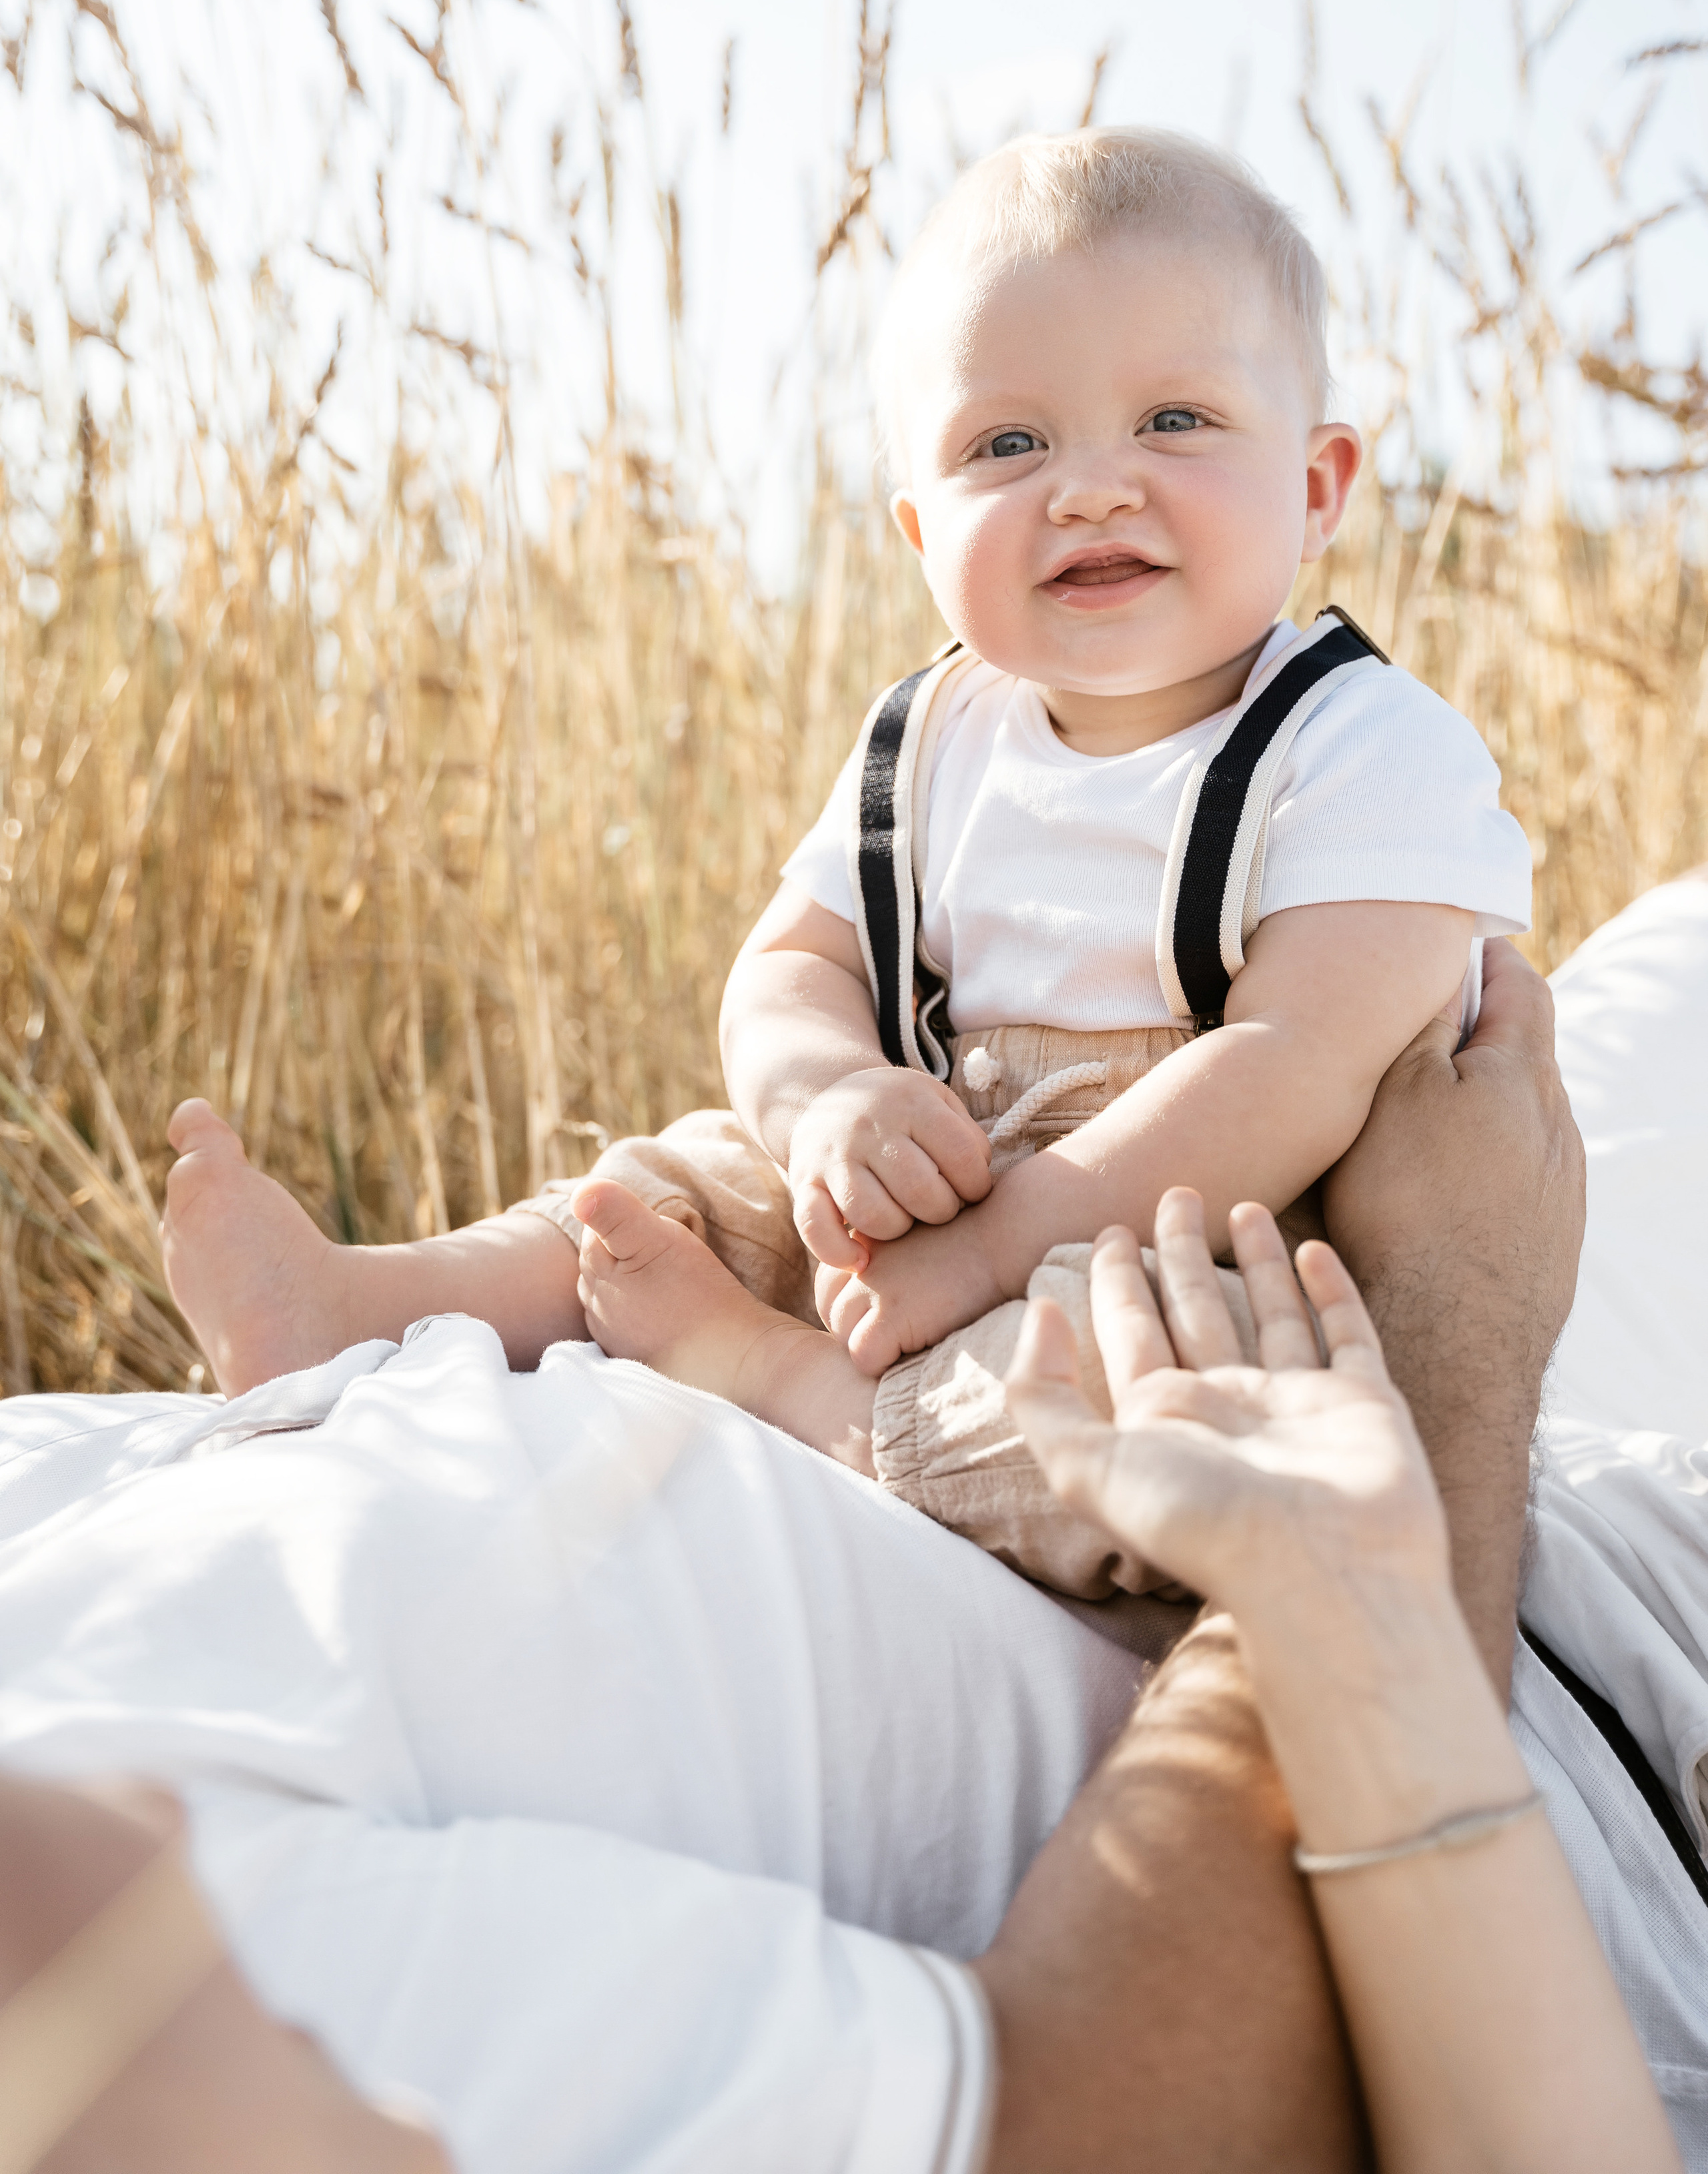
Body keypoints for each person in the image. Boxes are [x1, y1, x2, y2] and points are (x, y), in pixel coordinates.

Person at [0, 946, 1684, 2170]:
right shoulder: (153, 2024)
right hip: (1474, 1614)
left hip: (1273, 1351)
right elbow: (1147, 2120)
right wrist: (1442, 1322)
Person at [157, 128, 1532, 1601]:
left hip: (1197, 1227)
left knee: (1192, 1383)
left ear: (1319, 485)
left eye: (1174, 420)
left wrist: (998, 1250)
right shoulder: (928, 738)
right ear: (916, 526)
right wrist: (828, 1100)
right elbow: (790, 968)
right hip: (930, 1175)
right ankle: (368, 1303)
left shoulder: (1366, 747)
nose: (1087, 488)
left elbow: (1288, 1062)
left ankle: (803, 1397)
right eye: (1007, 444)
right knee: (679, 1182)